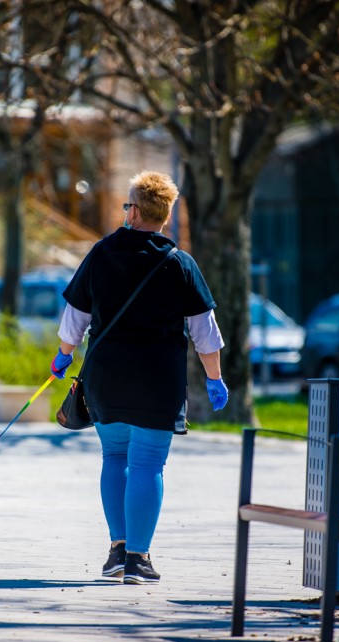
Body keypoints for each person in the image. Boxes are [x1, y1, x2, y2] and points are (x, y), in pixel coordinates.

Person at [50, 170, 228, 585]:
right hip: (157, 381)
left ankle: (117, 550)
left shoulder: (100, 254)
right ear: (164, 216)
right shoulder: (180, 263)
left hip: (106, 378)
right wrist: (215, 379)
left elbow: (74, 319)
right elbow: (205, 333)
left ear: (133, 212)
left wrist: (63, 356)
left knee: (114, 456)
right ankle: (137, 559)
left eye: (127, 205)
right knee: (147, 462)